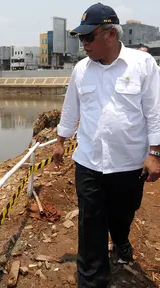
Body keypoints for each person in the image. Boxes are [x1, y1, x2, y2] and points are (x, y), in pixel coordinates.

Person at [53, 2, 160, 287]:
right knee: (91, 226)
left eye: (89, 37)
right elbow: (70, 109)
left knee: (122, 214)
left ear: (110, 35)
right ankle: (93, 280)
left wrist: (155, 153)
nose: (83, 44)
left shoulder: (143, 64)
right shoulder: (80, 70)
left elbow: (154, 111)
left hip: (129, 163)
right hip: (89, 161)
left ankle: (121, 239)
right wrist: (60, 141)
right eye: (80, 38)